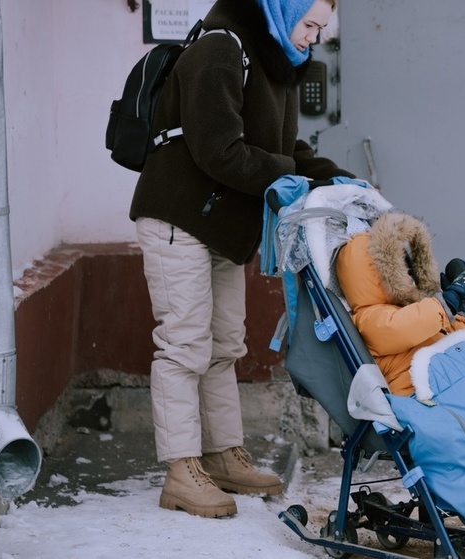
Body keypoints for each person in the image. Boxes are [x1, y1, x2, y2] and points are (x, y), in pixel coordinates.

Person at [129, 0, 353, 518]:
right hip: (177, 217)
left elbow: (282, 147)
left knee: (225, 343)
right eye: (311, 24)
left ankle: (222, 454)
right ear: (284, 9)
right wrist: (286, 178)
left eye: (321, 29)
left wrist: (333, 178)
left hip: (223, 226)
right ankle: (181, 470)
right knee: (184, 342)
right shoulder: (220, 48)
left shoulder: (275, 60)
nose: (315, 38)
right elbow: (218, 150)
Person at [335, 212, 465, 395]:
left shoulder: (416, 311)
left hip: (454, 380)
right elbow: (401, 327)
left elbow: (453, 343)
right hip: (421, 394)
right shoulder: (369, 319)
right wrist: (445, 306)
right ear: (383, 276)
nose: (411, 277)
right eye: (402, 270)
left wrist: (460, 317)